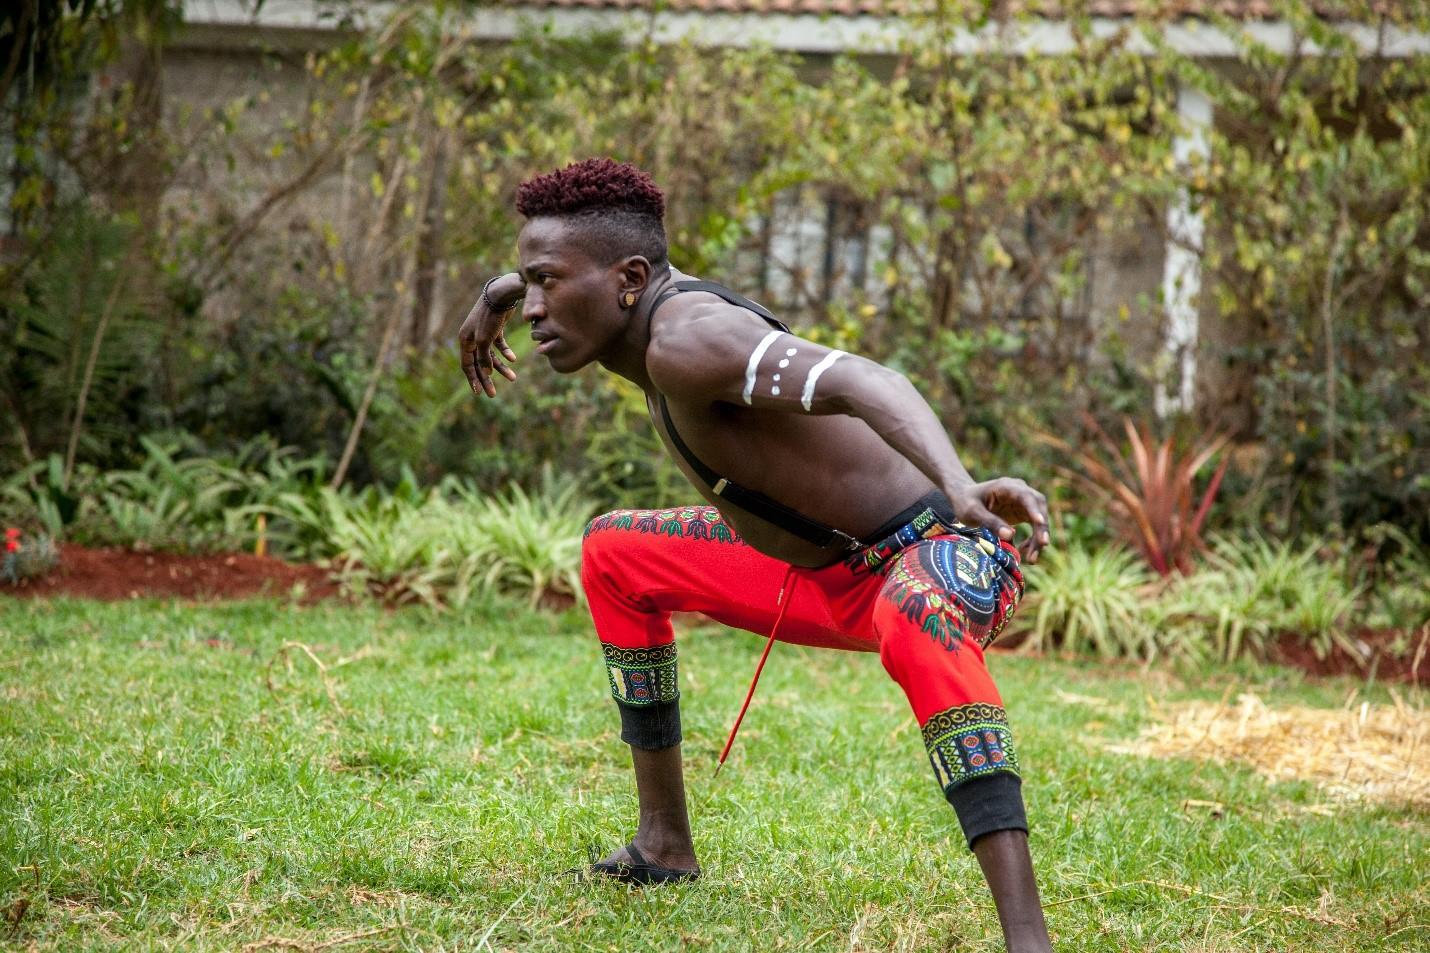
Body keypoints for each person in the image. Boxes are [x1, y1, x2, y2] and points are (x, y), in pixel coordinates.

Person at [459, 158, 1054, 952]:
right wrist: (497, 292)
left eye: (546, 284)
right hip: (815, 574)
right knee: (614, 552)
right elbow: (571, 270)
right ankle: (663, 844)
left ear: (629, 280)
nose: (534, 308)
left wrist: (960, 485)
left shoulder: (690, 339)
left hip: (937, 553)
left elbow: (867, 380)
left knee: (915, 616)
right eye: (530, 283)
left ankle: (1028, 938)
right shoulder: (628, 298)